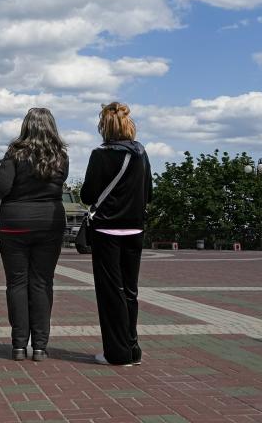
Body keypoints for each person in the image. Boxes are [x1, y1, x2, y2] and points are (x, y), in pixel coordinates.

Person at [0, 107, 69, 362]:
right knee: (43, 283)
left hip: (15, 225)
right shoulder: (61, 156)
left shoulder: (14, 153)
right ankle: (41, 347)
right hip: (50, 223)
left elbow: (1, 188)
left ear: (26, 127)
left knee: (17, 283)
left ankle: (19, 346)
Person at [81, 102, 151, 366]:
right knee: (130, 290)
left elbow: (88, 195)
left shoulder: (100, 155)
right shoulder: (141, 153)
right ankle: (133, 347)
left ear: (105, 127)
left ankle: (116, 353)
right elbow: (149, 192)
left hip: (107, 230)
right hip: (135, 229)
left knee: (110, 292)